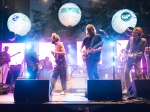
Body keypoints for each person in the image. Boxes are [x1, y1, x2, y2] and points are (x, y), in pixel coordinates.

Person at [123, 27, 146, 93]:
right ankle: (127, 88)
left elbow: (142, 51)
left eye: (134, 32)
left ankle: (139, 89)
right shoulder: (130, 39)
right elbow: (127, 48)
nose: (132, 33)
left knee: (138, 75)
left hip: (137, 59)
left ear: (138, 34)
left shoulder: (143, 40)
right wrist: (125, 53)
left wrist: (136, 55)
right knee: (126, 72)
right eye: (132, 32)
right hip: (129, 59)